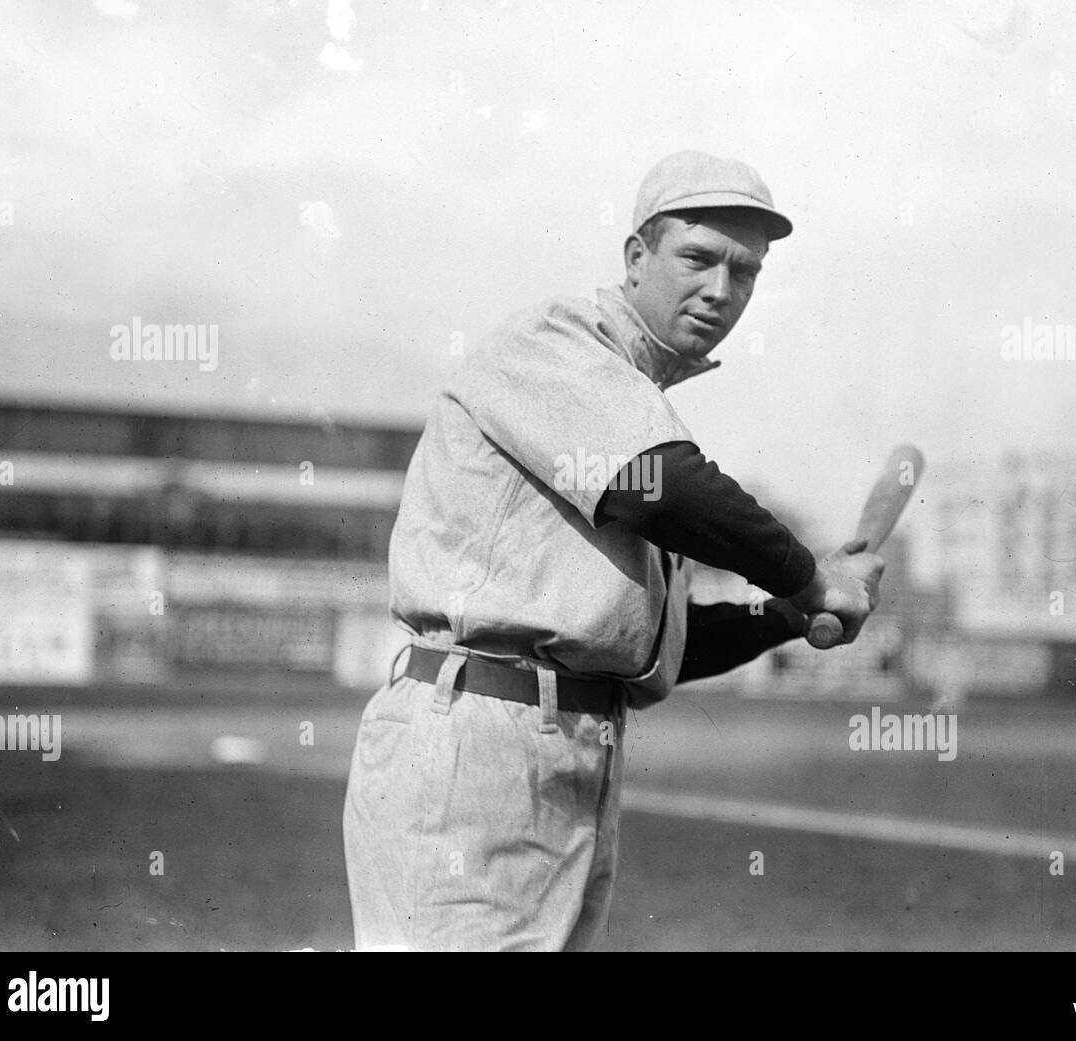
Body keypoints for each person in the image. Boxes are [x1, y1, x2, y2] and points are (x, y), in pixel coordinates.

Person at [342, 150, 885, 951]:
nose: (722, 289)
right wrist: (813, 576)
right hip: (477, 744)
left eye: (746, 271)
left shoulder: (629, 406)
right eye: (698, 258)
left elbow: (649, 651)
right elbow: (662, 488)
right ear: (636, 258)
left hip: (572, 752)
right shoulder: (556, 343)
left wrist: (787, 615)